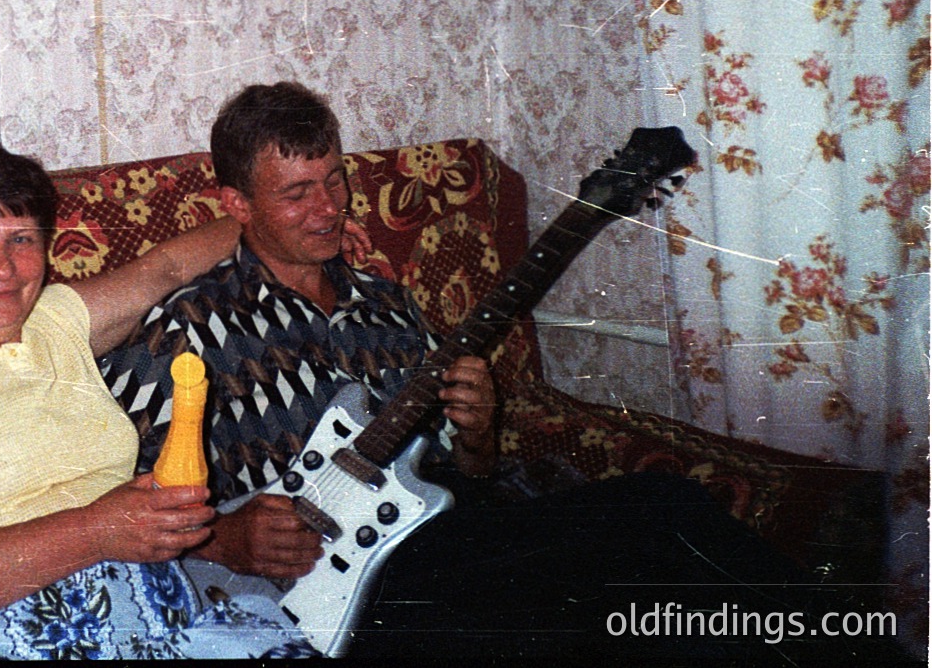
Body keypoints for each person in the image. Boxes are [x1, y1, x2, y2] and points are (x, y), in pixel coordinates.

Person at [101, 82, 894, 664]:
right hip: (332, 600)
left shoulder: (386, 305)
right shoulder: (188, 327)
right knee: (654, 518)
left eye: (336, 180)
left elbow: (461, 476)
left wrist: (478, 437)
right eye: (297, 193)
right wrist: (228, 538)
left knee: (656, 583)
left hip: (447, 548)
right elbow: (108, 490)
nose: (330, 208)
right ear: (237, 204)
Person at [0, 140, 317, 659]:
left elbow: (166, 269)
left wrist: (294, 229)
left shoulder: (54, 321)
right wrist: (97, 531)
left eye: (21, 239)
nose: (1, 268)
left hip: (155, 620)